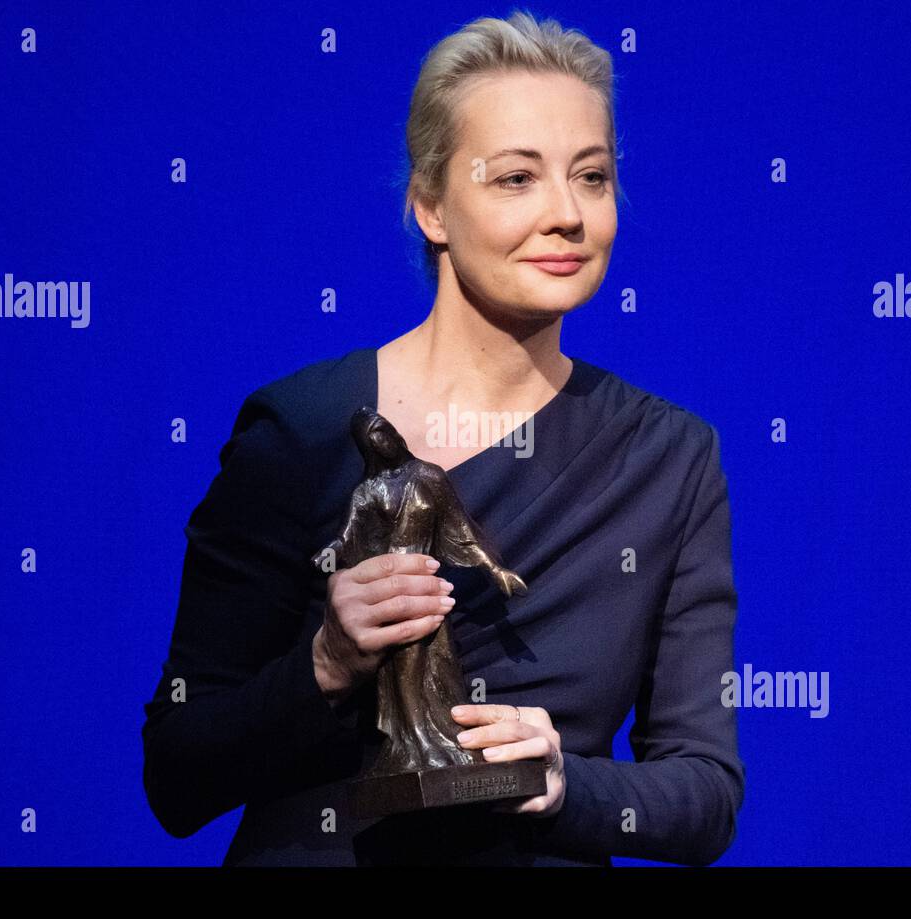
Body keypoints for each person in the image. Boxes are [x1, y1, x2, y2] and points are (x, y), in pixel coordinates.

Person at [141, 10, 744, 866]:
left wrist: (567, 782)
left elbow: (705, 795)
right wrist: (325, 664)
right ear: (430, 206)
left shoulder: (669, 459)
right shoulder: (301, 431)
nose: (567, 215)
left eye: (593, 176)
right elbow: (176, 772)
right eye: (515, 179)